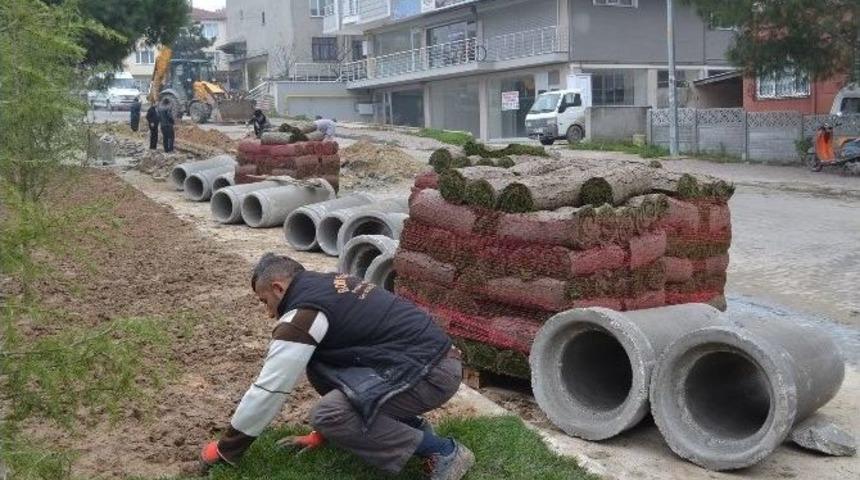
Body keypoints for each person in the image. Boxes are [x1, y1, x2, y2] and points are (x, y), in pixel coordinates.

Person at [198, 254, 474, 480]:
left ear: (278, 288)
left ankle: (443, 451)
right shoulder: (326, 285)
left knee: (328, 414)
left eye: (265, 302)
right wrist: (327, 437)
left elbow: (270, 387)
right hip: (425, 362)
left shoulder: (304, 313)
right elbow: (337, 371)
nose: (269, 313)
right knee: (320, 366)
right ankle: (409, 425)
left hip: (430, 372)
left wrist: (226, 449)